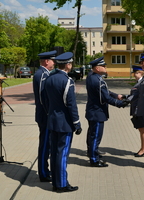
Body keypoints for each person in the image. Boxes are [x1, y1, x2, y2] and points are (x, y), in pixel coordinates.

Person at [44, 52, 82, 193]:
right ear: (67, 65)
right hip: (64, 123)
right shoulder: (67, 81)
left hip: (52, 121)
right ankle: (61, 184)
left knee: (54, 152)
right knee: (62, 154)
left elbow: (46, 101)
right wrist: (77, 123)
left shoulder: (49, 79)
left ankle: (56, 181)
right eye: (71, 64)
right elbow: (71, 104)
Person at [86, 56, 129, 167]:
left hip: (92, 111)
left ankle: (91, 152)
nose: (105, 67)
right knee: (96, 136)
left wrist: (116, 95)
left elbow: (106, 92)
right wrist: (119, 104)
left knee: (91, 134)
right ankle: (94, 159)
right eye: (103, 66)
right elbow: (105, 98)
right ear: (97, 68)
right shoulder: (98, 81)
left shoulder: (91, 76)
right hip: (97, 112)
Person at [33, 50, 57, 182]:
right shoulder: (42, 75)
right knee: (45, 145)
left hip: (45, 115)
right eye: (53, 60)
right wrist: (49, 113)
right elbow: (43, 98)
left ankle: (45, 170)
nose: (54, 63)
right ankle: (43, 172)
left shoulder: (44, 73)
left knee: (47, 144)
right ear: (47, 61)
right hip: (45, 115)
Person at [126, 65, 144, 157]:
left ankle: (143, 150)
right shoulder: (139, 82)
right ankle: (143, 149)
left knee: (142, 129)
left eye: (135, 73)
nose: (134, 75)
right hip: (137, 109)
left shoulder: (141, 83)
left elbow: (137, 96)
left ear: (140, 73)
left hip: (140, 110)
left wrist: (125, 100)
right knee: (141, 129)